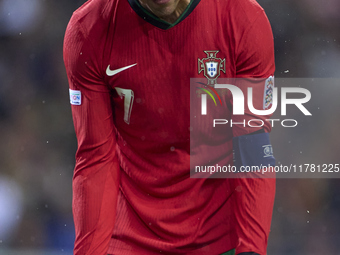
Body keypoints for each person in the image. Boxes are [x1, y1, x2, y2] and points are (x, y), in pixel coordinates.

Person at [63, 0, 276, 254]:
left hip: (220, 237)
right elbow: (96, 158)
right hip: (130, 237)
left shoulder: (243, 18)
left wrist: (251, 248)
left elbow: (252, 144)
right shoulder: (88, 30)